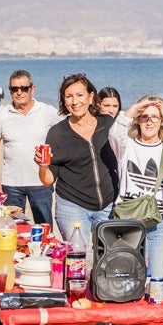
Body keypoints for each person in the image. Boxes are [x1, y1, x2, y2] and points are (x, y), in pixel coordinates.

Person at [116, 95, 163, 297]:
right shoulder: (126, 147)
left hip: (162, 224)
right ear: (137, 120)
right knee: (126, 280)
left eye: (155, 117)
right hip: (129, 221)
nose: (149, 121)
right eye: (144, 117)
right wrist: (139, 105)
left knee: (157, 282)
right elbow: (116, 130)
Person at [38, 73, 119, 240]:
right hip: (72, 206)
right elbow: (47, 181)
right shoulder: (58, 133)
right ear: (63, 101)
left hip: (109, 205)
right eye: (69, 97)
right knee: (77, 260)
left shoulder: (108, 125)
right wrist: (43, 165)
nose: (75, 102)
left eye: (80, 95)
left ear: (90, 97)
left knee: (108, 261)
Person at [0, 70, 60, 224]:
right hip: (11, 184)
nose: (19, 93)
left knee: (44, 228)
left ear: (32, 89)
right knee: (12, 228)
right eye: (14, 89)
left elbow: (67, 131)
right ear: (10, 90)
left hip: (41, 182)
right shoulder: (2, 115)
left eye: (24, 88)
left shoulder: (48, 112)